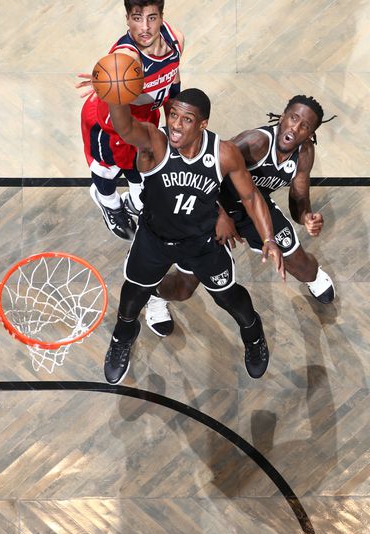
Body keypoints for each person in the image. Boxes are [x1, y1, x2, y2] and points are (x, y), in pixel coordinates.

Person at [102, 87, 285, 385]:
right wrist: (113, 90)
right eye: (173, 115)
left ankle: (253, 334)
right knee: (133, 295)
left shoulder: (224, 153)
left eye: (187, 119)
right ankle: (123, 336)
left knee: (228, 297)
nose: (175, 124)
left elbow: (251, 196)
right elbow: (124, 127)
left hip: (202, 243)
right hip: (155, 239)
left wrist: (269, 239)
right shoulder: (155, 142)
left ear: (203, 124)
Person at [157, 95, 336, 305]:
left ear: (310, 134)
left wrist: (306, 216)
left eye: (304, 126)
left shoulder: (305, 152)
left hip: (256, 209)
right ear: (282, 118)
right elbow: (201, 176)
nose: (295, 128)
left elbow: (298, 199)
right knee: (183, 287)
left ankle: (314, 278)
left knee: (304, 268)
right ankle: (154, 293)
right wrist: (220, 215)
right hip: (210, 205)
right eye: (293, 118)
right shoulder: (255, 142)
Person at [78, 0, 184, 338]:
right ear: (127, 19)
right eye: (136, 19)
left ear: (161, 18)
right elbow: (123, 108)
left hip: (145, 118)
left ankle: (136, 200)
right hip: (110, 123)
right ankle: (107, 203)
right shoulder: (126, 59)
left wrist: (172, 120)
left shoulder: (176, 39)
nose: (145, 27)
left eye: (151, 17)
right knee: (106, 172)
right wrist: (107, 83)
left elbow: (174, 79)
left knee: (143, 175)